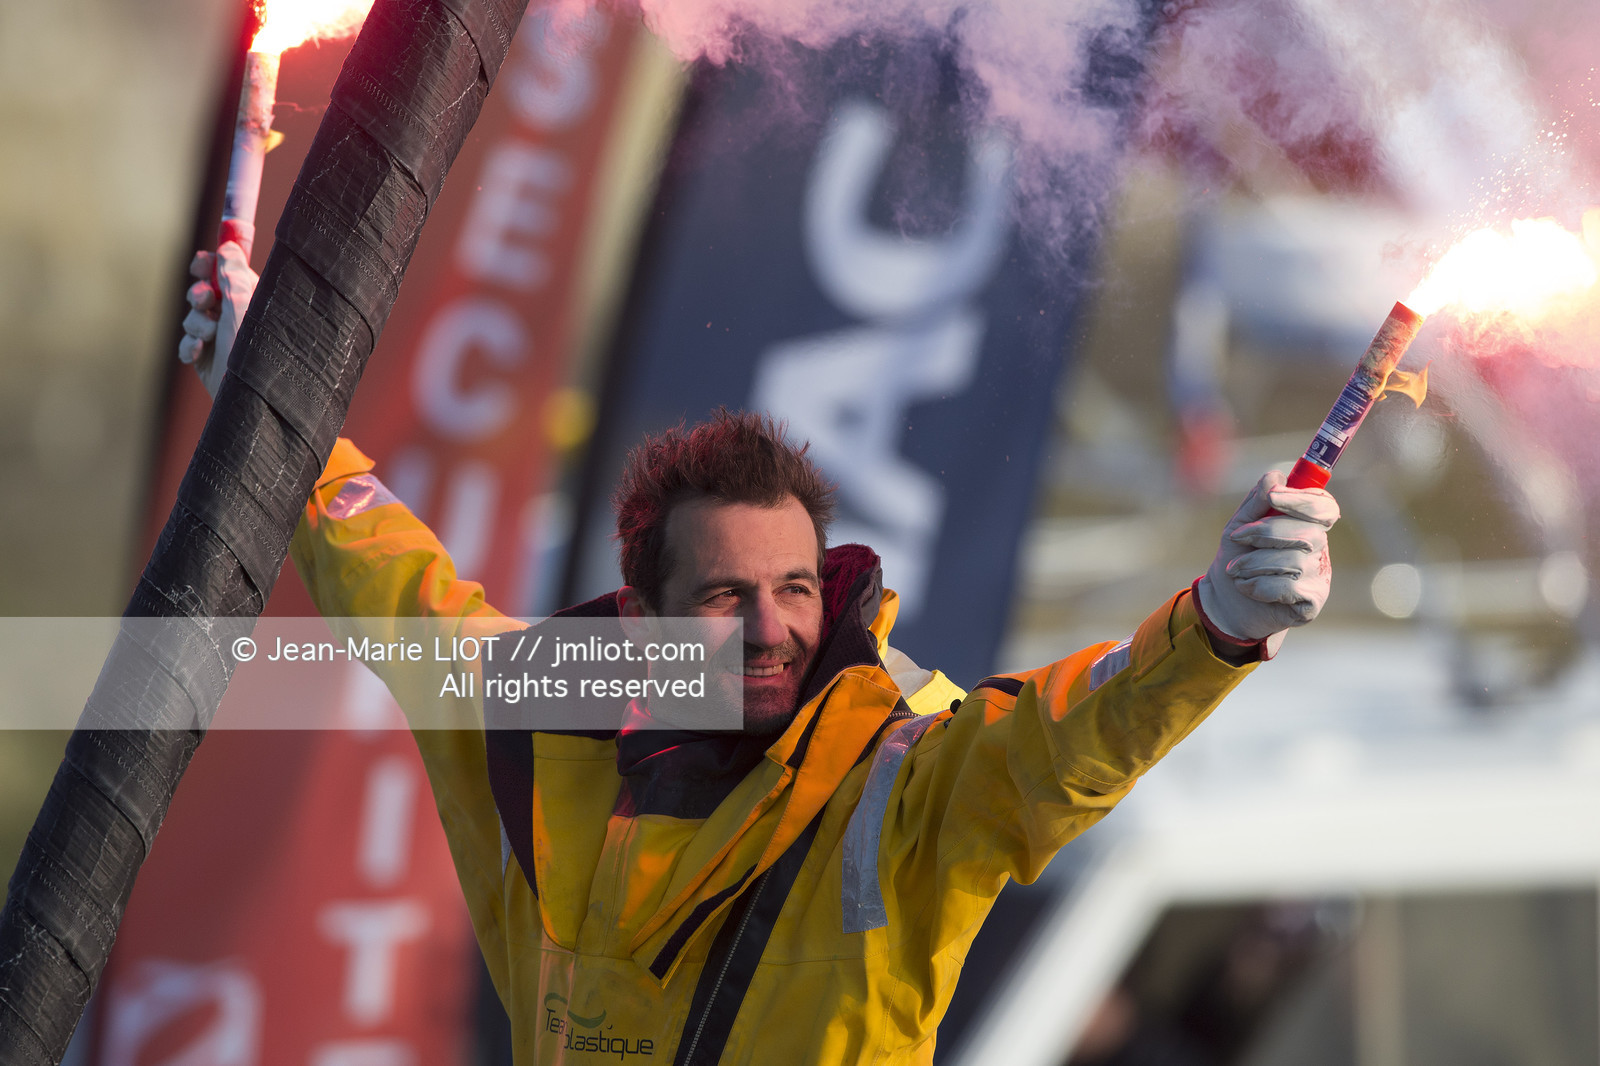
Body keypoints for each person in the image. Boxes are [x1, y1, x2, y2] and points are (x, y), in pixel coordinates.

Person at [182, 243, 1339, 1064]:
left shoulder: (902, 764)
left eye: (792, 586)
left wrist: (1221, 622)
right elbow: (395, 586)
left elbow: (1070, 736)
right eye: (726, 596)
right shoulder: (542, 703)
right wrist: (267, 403)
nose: (774, 626)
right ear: (642, 621)